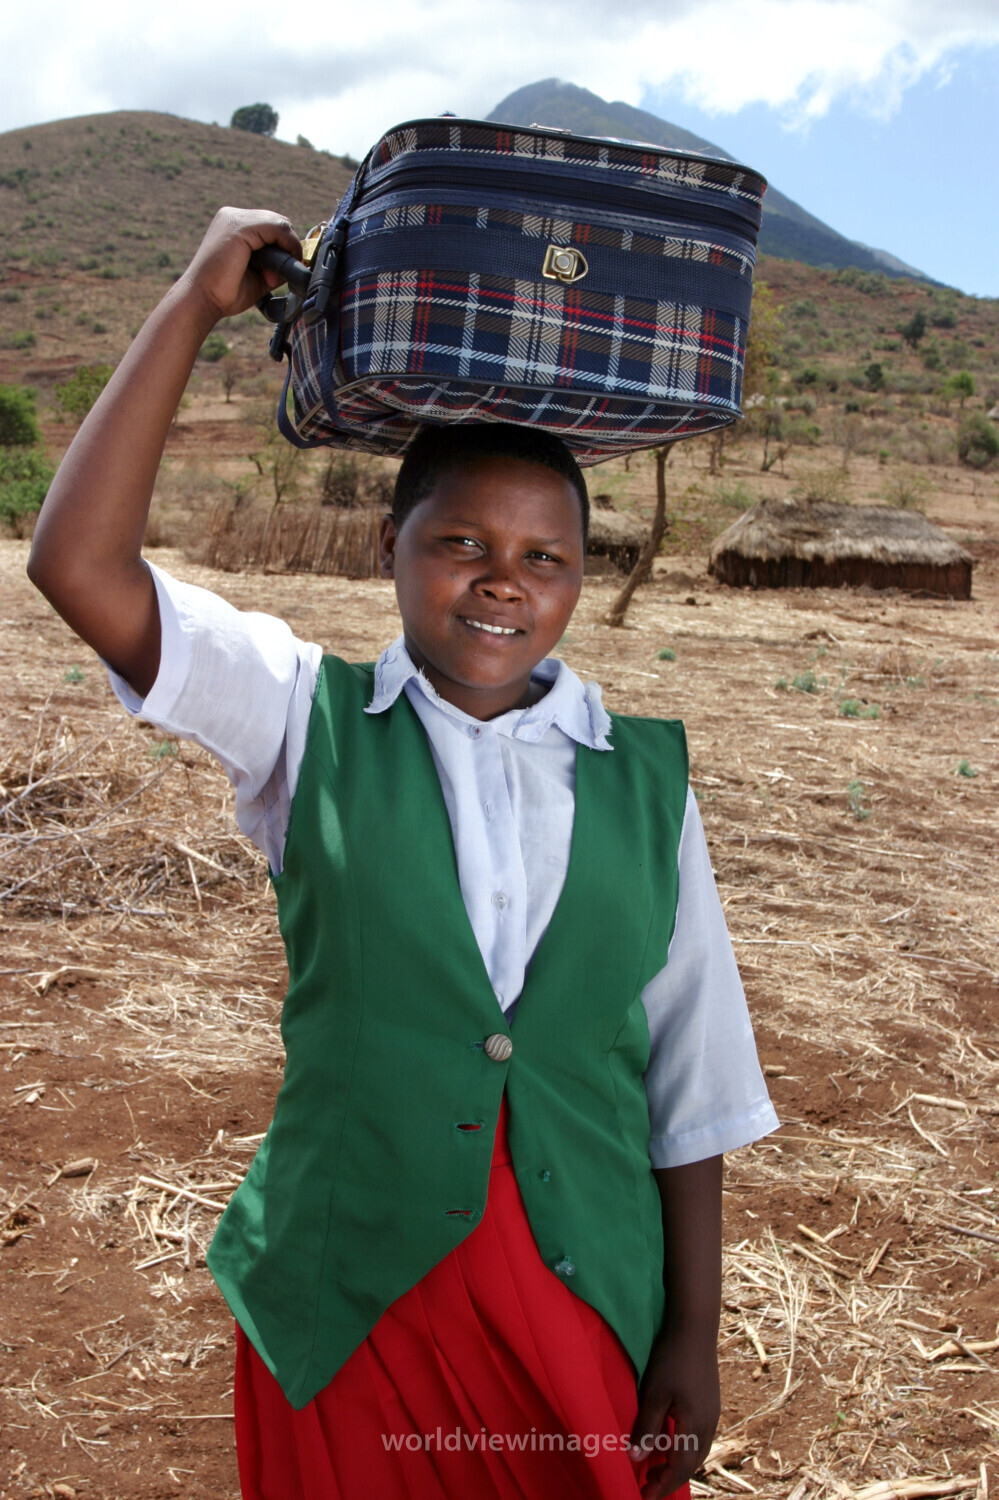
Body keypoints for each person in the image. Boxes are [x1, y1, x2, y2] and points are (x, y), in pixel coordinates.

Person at [27, 207, 779, 1500]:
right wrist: (194, 302)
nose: (503, 582)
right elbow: (79, 567)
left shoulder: (647, 781)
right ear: (392, 548)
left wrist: (694, 1330)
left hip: (577, 1298)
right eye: (461, 544)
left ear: (581, 580)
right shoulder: (299, 717)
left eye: (545, 557)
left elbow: (689, 1067)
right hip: (351, 1302)